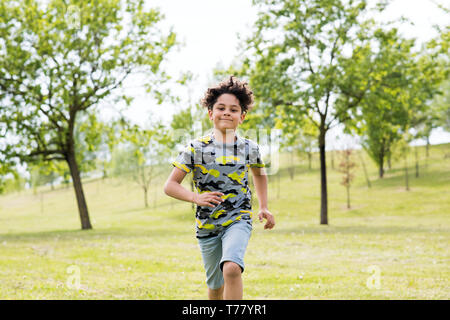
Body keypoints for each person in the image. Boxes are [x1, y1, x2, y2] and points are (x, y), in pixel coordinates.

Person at [163, 76, 275, 300]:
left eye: (233, 109)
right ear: (210, 113)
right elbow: (170, 186)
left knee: (232, 269)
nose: (226, 113)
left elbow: (260, 175)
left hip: (238, 218)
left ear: (241, 117)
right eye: (221, 108)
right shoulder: (195, 149)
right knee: (215, 286)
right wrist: (196, 198)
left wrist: (263, 206)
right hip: (207, 224)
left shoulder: (249, 148)